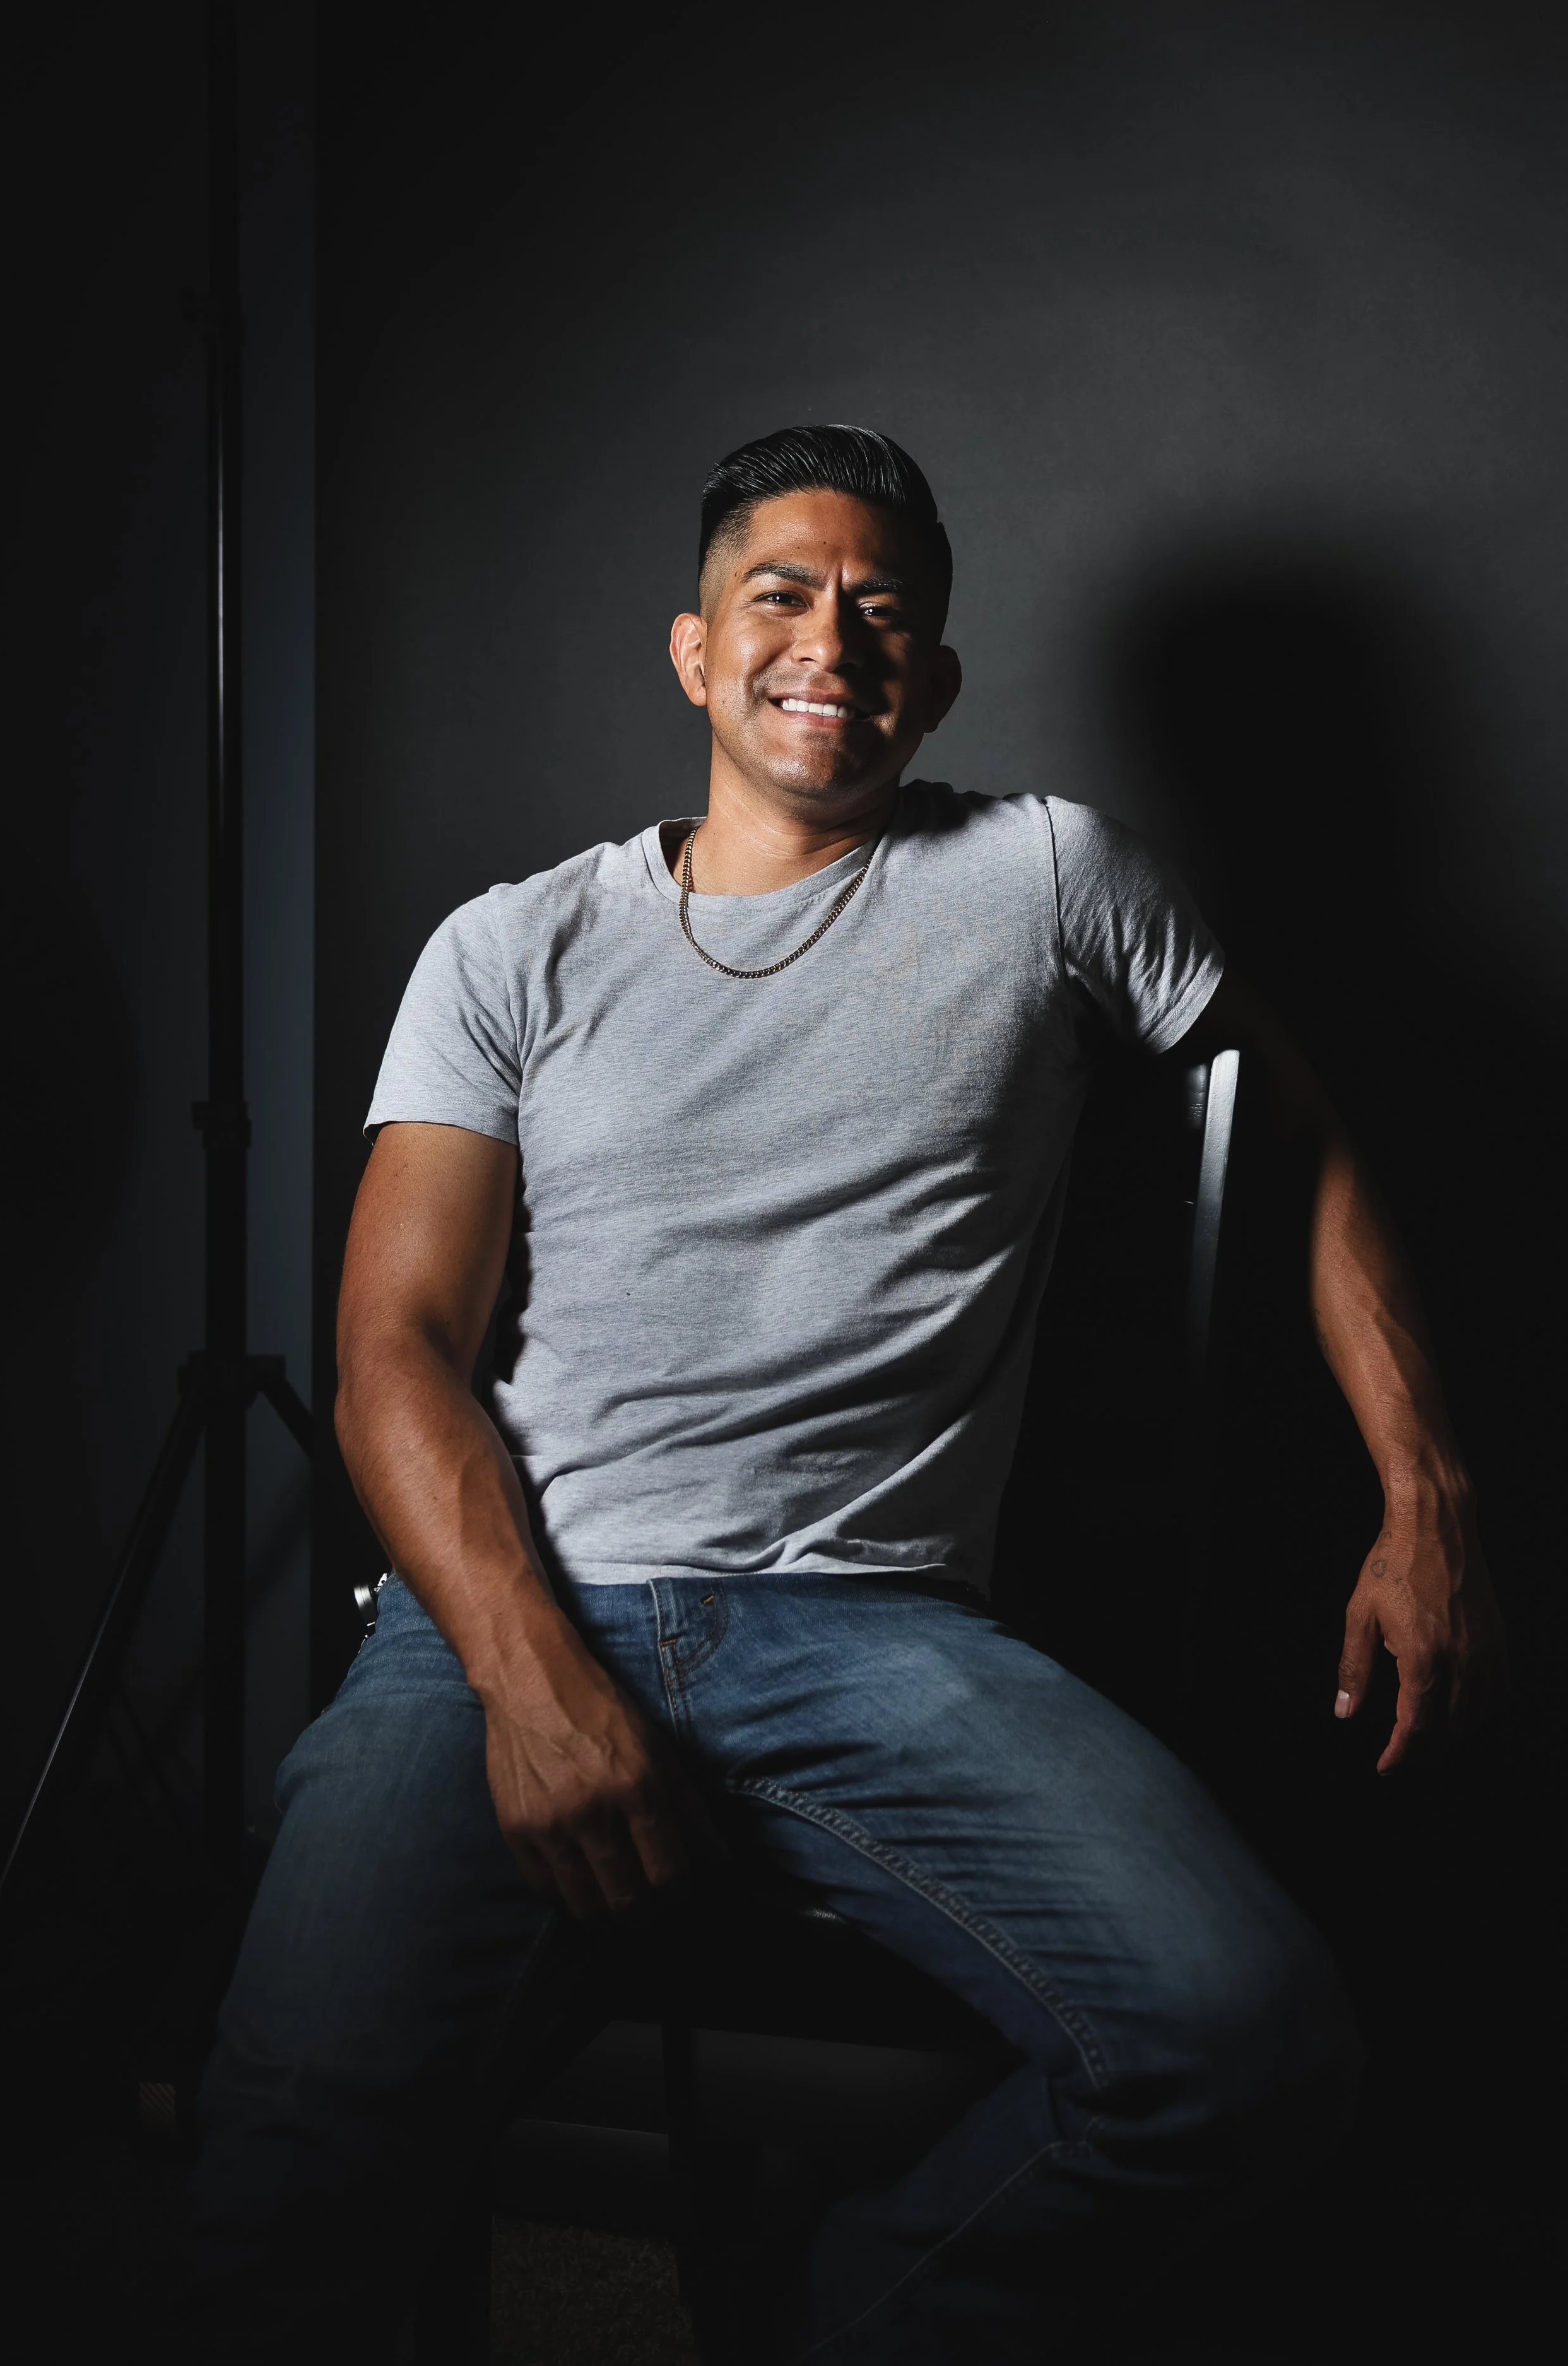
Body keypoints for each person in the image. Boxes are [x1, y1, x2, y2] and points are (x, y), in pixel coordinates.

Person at [182, 425, 1504, 2362]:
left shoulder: (1050, 874)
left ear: (939, 674)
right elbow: (394, 1346)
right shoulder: (512, 945)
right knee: (292, 2148)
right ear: (695, 652)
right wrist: (530, 1676)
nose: (832, 641)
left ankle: (819, 2313)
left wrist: (1424, 1490)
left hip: (878, 1631)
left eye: (883, 610)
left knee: (1248, 2049)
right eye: (778, 598)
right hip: (514, 1615)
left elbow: (1297, 1145)